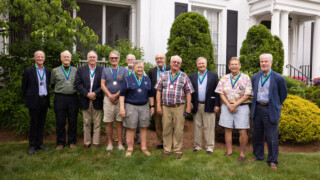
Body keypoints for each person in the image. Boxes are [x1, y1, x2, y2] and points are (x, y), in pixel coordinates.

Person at [248, 53, 287, 170]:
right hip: (258, 108)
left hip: (270, 109)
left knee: (272, 137)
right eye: (262, 62)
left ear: (271, 62)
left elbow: (283, 95)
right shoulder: (255, 77)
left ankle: (273, 160)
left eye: (266, 61)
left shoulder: (279, 78)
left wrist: (275, 104)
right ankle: (259, 155)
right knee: (257, 134)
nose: (263, 64)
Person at [155, 55, 194, 159]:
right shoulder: (163, 75)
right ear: (170, 63)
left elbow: (189, 92)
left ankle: (177, 150)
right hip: (166, 107)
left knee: (178, 129)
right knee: (166, 128)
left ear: (180, 64)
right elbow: (158, 90)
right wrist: (158, 105)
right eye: (174, 62)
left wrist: (188, 106)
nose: (176, 64)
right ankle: (167, 149)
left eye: (178, 62)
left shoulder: (184, 76)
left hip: (179, 107)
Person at [215, 57, 252, 162]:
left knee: (242, 131)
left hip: (241, 107)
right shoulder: (225, 78)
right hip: (227, 107)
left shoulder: (246, 78)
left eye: (236, 64)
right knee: (227, 130)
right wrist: (228, 105)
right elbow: (220, 92)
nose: (234, 66)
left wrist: (234, 105)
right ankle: (229, 151)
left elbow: (247, 94)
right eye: (232, 64)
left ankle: (242, 154)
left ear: (240, 66)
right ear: (229, 66)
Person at [119, 60, 155, 157]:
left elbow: (151, 94)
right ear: (134, 68)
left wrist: (152, 106)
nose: (140, 69)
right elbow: (122, 95)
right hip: (131, 106)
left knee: (143, 127)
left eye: (141, 67)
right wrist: (122, 108)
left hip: (144, 106)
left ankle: (144, 148)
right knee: (131, 128)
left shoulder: (147, 79)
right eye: (138, 67)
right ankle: (130, 149)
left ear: (143, 68)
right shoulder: (127, 79)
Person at [22, 50, 51, 155]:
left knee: (41, 123)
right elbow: (24, 87)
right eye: (38, 57)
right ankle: (32, 146)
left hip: (44, 100)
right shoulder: (28, 71)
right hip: (34, 100)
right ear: (34, 58)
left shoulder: (47, 72)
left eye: (42, 57)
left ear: (44, 58)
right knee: (34, 123)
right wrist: (30, 97)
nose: (40, 59)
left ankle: (40, 144)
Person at [189, 57, 220, 154]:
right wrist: (189, 103)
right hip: (196, 104)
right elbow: (190, 91)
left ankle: (209, 147)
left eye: (203, 63)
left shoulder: (213, 75)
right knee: (197, 126)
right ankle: (197, 146)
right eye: (199, 63)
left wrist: (217, 104)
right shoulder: (192, 76)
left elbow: (217, 91)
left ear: (206, 64)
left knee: (209, 127)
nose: (201, 65)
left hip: (209, 104)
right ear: (197, 65)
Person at [75, 50, 103, 149]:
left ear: (97, 59)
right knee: (86, 122)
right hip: (85, 99)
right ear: (87, 59)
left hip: (97, 98)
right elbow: (78, 84)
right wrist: (87, 94)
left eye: (94, 57)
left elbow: (103, 85)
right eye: (90, 57)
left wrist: (95, 93)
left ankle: (96, 142)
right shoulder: (81, 70)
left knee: (97, 122)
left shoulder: (101, 70)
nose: (92, 59)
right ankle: (87, 142)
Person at [51, 50, 78, 150]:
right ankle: (60, 142)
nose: (66, 58)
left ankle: (72, 142)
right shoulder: (55, 71)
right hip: (60, 98)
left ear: (70, 59)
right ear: (61, 58)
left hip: (72, 98)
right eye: (64, 57)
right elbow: (52, 83)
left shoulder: (75, 70)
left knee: (72, 121)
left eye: (68, 57)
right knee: (60, 121)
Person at [101, 50, 128, 151]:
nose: (113, 60)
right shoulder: (105, 70)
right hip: (108, 99)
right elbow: (102, 84)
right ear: (109, 59)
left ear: (119, 59)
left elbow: (125, 85)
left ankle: (120, 143)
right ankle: (110, 143)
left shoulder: (124, 70)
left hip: (120, 99)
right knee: (109, 122)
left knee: (119, 122)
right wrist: (110, 96)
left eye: (115, 58)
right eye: (112, 58)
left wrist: (116, 96)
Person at [147, 53, 170, 149]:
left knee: (168, 122)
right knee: (158, 121)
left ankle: (168, 142)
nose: (159, 60)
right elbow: (151, 88)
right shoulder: (151, 71)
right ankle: (160, 142)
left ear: (165, 59)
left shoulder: (170, 69)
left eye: (161, 58)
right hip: (157, 99)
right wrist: (152, 104)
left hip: (168, 99)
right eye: (157, 58)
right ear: (155, 60)